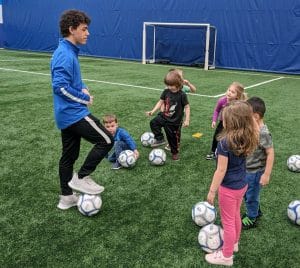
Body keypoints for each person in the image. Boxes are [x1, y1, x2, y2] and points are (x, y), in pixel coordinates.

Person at [51, 10, 114, 210]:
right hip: (73, 113)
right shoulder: (64, 54)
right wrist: (84, 97)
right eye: (84, 29)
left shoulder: (68, 51)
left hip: (65, 115)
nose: (88, 33)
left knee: (68, 157)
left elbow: (71, 80)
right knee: (106, 139)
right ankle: (82, 177)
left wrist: (82, 86)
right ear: (72, 29)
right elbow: (59, 87)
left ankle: (66, 197)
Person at [205, 101, 259, 266]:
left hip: (228, 188)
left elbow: (221, 170)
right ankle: (234, 243)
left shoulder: (224, 143)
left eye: (225, 118)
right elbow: (254, 125)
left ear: (232, 122)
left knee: (227, 221)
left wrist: (212, 191)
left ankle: (226, 256)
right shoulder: (248, 136)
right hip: (242, 185)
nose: (223, 120)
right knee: (235, 215)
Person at [242, 97, 274, 229]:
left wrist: (266, 174)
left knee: (251, 195)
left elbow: (270, 153)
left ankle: (252, 217)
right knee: (248, 193)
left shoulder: (263, 133)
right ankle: (256, 210)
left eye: (246, 115)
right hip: (248, 169)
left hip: (255, 172)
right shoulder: (253, 128)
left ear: (255, 116)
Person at [146, 70, 190, 161]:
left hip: (174, 122)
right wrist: (152, 111)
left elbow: (187, 107)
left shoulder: (182, 95)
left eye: (171, 85)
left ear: (177, 84)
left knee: (173, 139)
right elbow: (160, 101)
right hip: (164, 116)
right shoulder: (166, 91)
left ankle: (174, 153)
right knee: (153, 123)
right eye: (167, 85)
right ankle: (160, 138)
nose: (169, 87)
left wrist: (187, 120)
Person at [206, 82, 247, 160]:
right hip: (222, 123)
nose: (229, 93)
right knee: (217, 137)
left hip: (234, 125)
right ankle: (214, 152)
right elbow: (217, 110)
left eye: (233, 92)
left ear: (237, 96)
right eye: (229, 90)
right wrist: (214, 120)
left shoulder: (239, 104)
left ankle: (232, 153)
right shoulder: (222, 100)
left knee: (232, 138)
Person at [164, 68, 196, 151]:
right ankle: (170, 142)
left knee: (177, 129)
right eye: (180, 77)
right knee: (169, 128)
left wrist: (188, 83)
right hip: (170, 111)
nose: (181, 78)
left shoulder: (184, 88)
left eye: (182, 77)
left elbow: (194, 90)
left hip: (179, 112)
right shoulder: (169, 88)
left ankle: (176, 144)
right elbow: (165, 99)